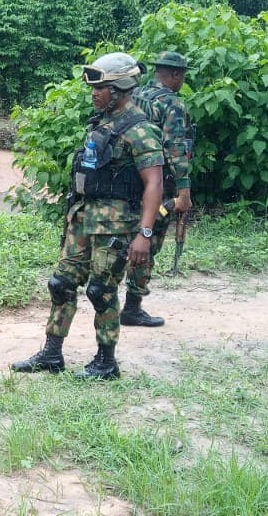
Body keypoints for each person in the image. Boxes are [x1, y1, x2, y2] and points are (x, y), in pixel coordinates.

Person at [10, 52, 164, 380]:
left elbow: (154, 183)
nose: (95, 93)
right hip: (83, 218)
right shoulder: (101, 123)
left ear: (121, 89)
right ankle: (52, 354)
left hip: (116, 226)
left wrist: (145, 234)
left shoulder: (140, 130)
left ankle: (106, 362)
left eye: (102, 88)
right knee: (61, 283)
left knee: (100, 290)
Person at [122, 51, 194, 328]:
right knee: (149, 239)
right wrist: (183, 192)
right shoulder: (172, 104)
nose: (183, 80)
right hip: (158, 182)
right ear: (175, 74)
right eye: (183, 75)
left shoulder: (135, 93)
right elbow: (176, 150)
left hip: (129, 178)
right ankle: (132, 306)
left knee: (125, 234)